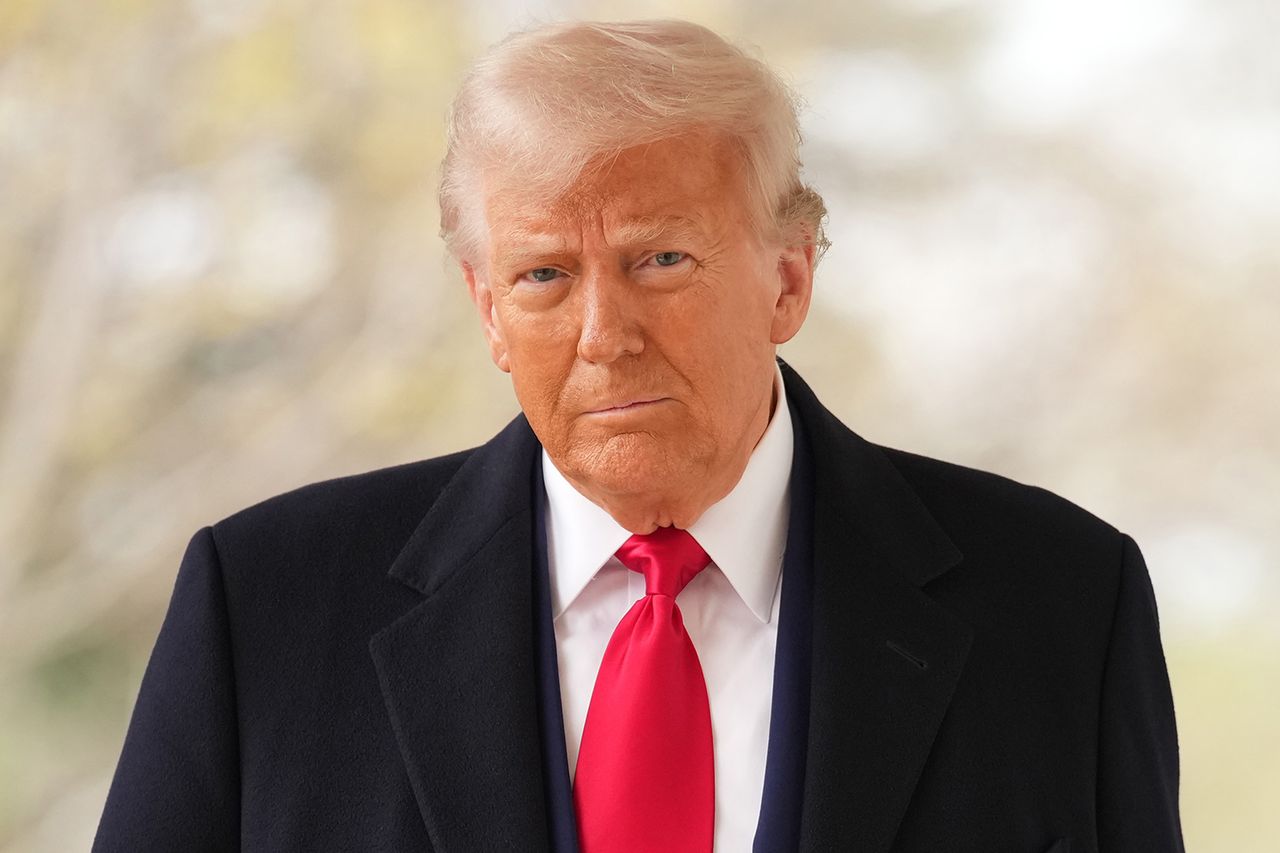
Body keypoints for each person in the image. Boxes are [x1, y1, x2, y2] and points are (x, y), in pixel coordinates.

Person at [93, 19, 1184, 853]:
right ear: (485, 310)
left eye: (659, 259)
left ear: (788, 278)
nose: (603, 336)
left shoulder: (1061, 605)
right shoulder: (266, 605)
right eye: (542, 277)